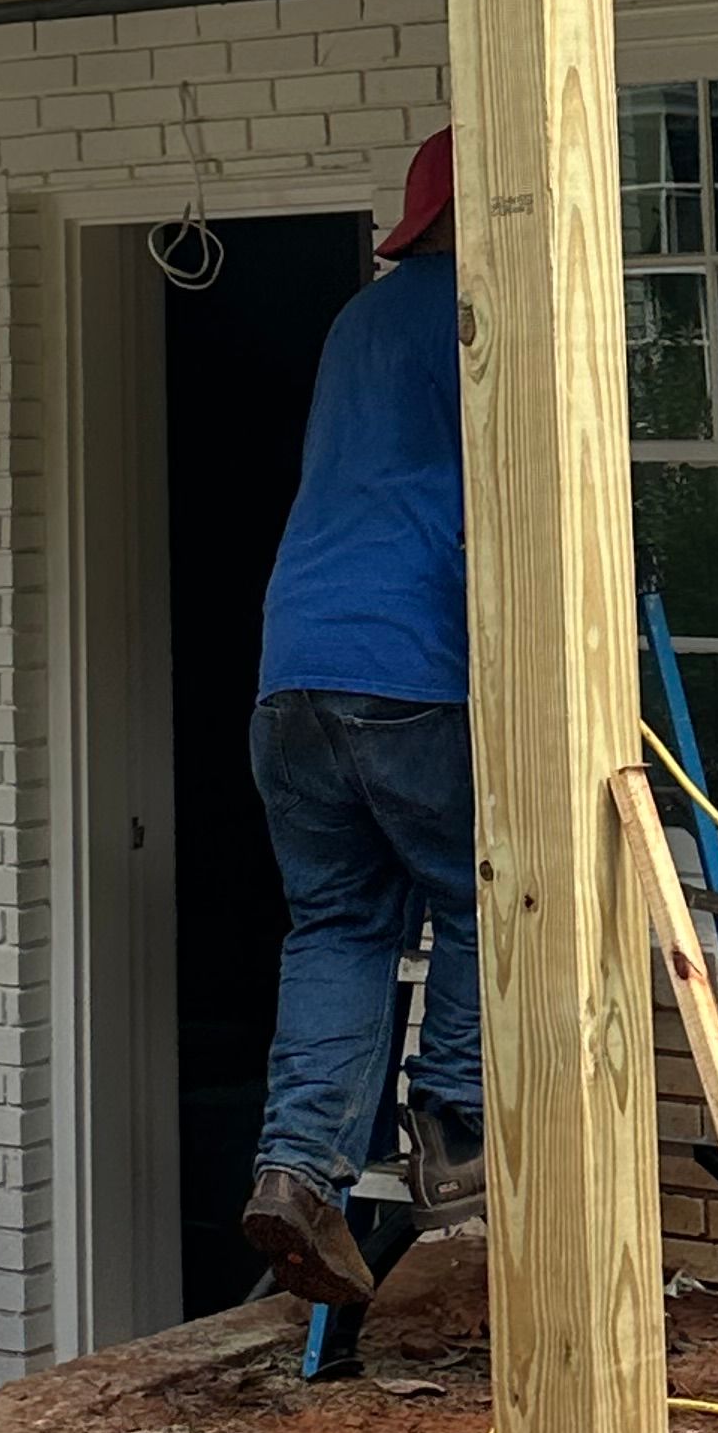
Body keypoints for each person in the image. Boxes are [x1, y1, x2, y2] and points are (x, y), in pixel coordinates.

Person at [238, 124, 485, 1309]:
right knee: (487, 885)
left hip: (292, 674)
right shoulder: (481, 316)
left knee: (336, 926)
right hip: (408, 667)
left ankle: (299, 1170)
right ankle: (457, 1125)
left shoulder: (357, 321)